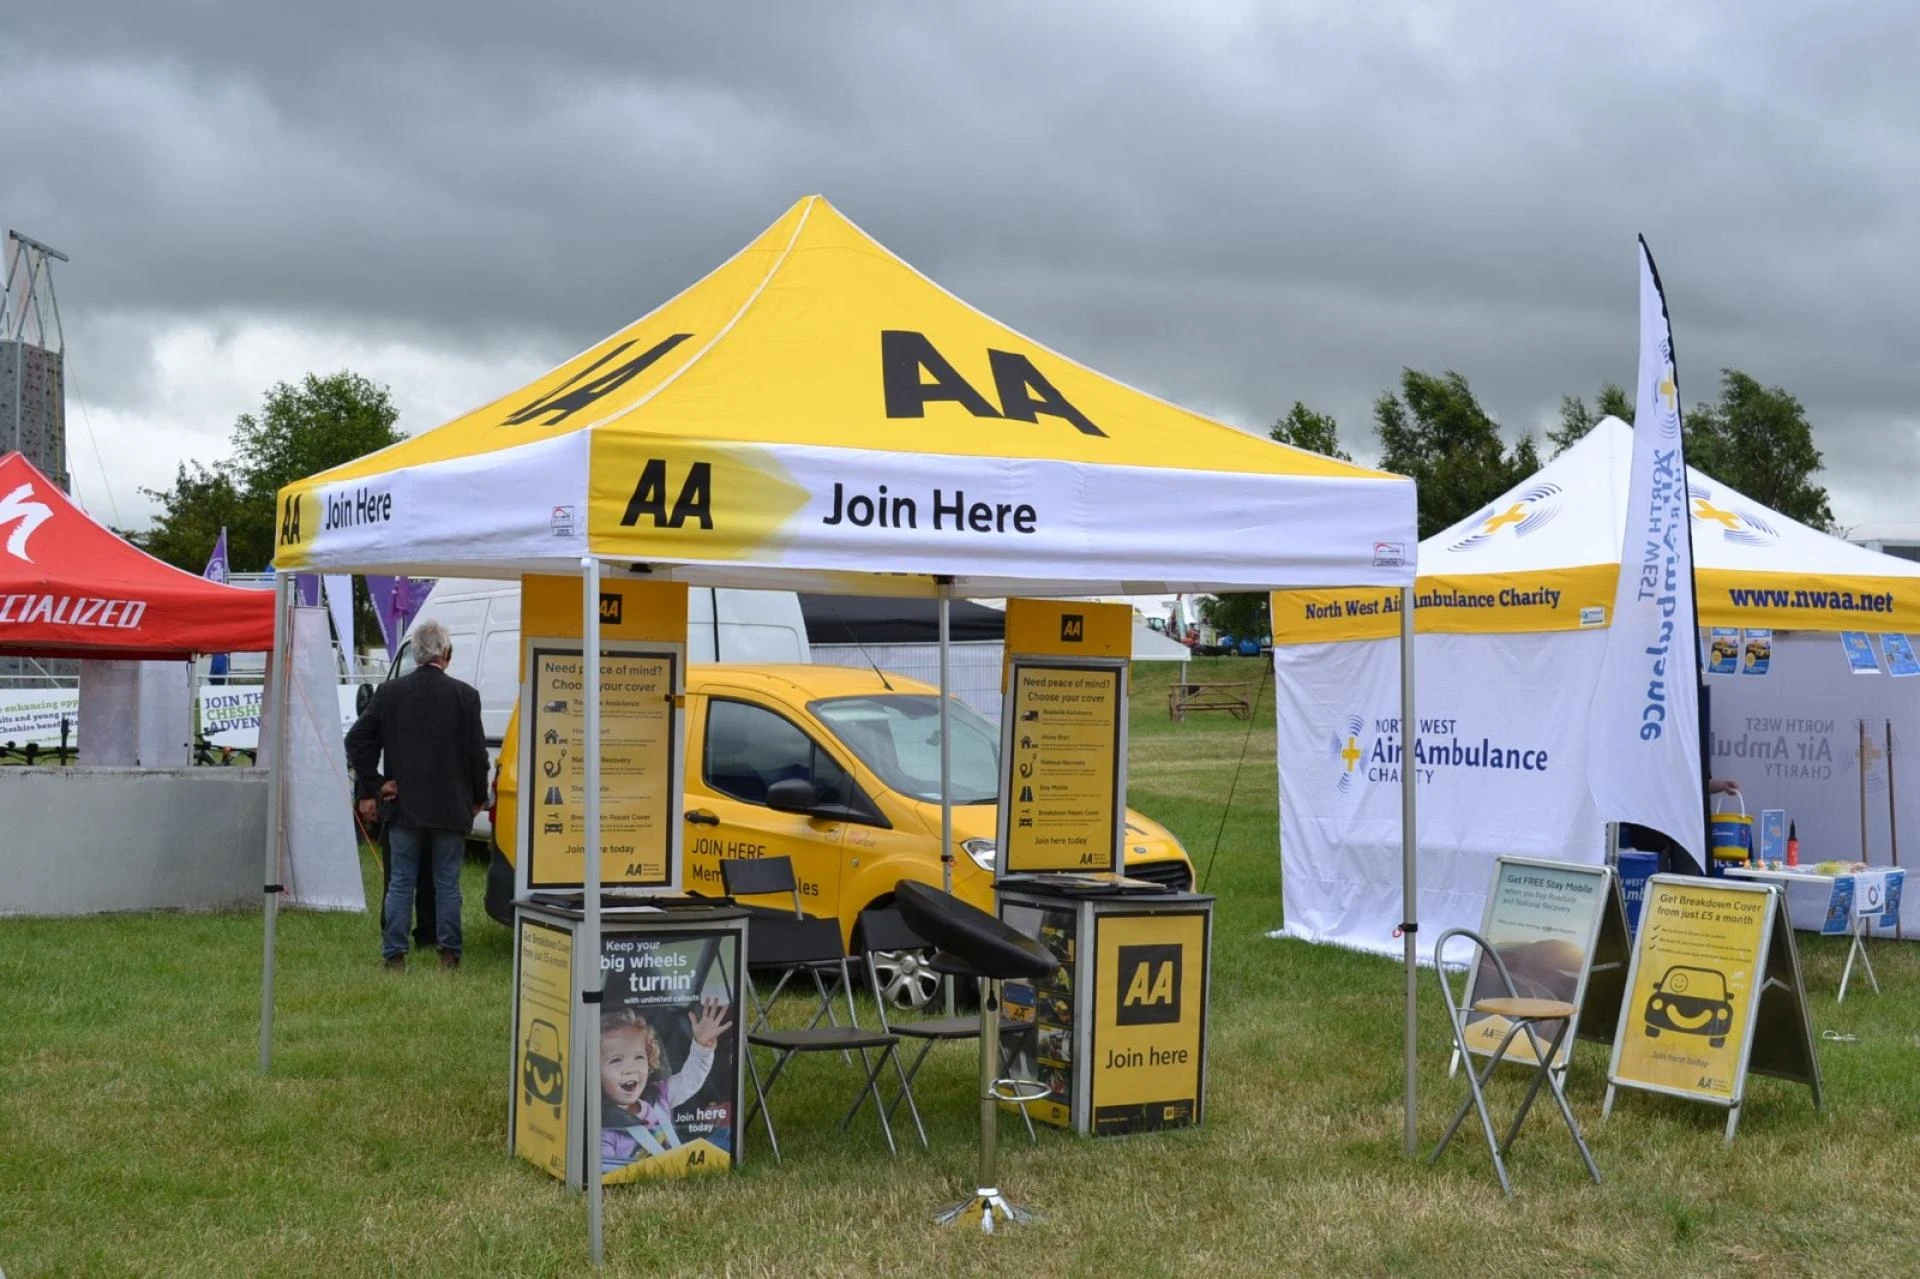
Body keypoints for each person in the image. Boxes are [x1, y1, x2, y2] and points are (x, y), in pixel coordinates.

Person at [346, 619, 489, 970]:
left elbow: (356, 740)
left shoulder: (391, 693)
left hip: (405, 806)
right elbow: (478, 756)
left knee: (400, 883)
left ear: (415, 654)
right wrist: (477, 797)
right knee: (447, 884)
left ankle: (394, 955)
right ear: (447, 654)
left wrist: (377, 782)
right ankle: (449, 954)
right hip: (451, 807)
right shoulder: (466, 697)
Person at [599, 1000, 734, 1170]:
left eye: (639, 1058)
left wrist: (701, 1046)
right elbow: (606, 1170)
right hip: (647, 1171)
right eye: (616, 1060)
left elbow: (689, 1080)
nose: (630, 1068)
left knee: (727, 1134)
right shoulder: (605, 1129)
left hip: (676, 1162)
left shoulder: (658, 1095)